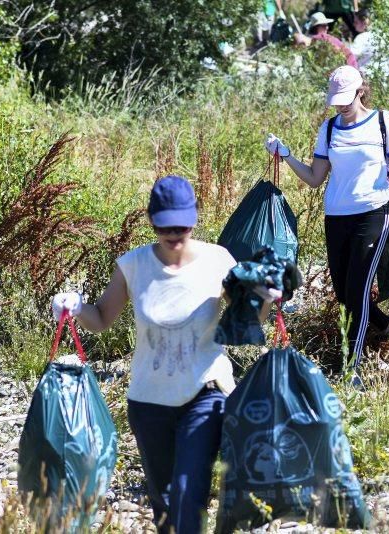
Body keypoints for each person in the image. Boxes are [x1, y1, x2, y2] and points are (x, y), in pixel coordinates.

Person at [50, 176, 278, 534]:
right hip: (148, 400)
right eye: (165, 225)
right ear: (150, 220)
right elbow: (102, 318)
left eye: (182, 225)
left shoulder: (218, 261)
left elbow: (246, 320)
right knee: (166, 507)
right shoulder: (133, 265)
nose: (174, 233)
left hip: (206, 391)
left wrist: (264, 296)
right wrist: (76, 307)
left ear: (195, 219)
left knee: (188, 495)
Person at [264, 66, 389, 384]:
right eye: (336, 100)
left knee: (358, 290)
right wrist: (287, 155)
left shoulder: (381, 122)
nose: (341, 106)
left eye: (345, 99)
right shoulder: (330, 128)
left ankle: (352, 368)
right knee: (344, 293)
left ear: (361, 90)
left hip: (374, 212)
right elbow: (314, 178)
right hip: (337, 217)